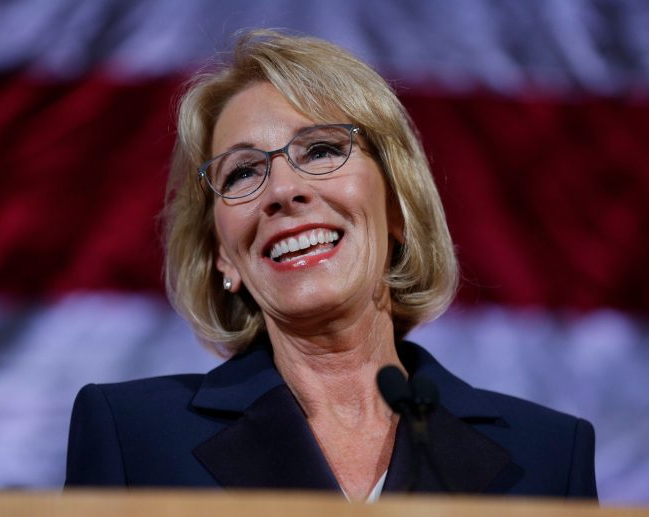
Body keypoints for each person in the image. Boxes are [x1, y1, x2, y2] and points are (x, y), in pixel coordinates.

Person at [65, 29, 597, 501]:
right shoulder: (132, 436)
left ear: (397, 207)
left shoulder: (550, 455)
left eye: (320, 150)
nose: (283, 190)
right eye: (242, 173)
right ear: (224, 255)